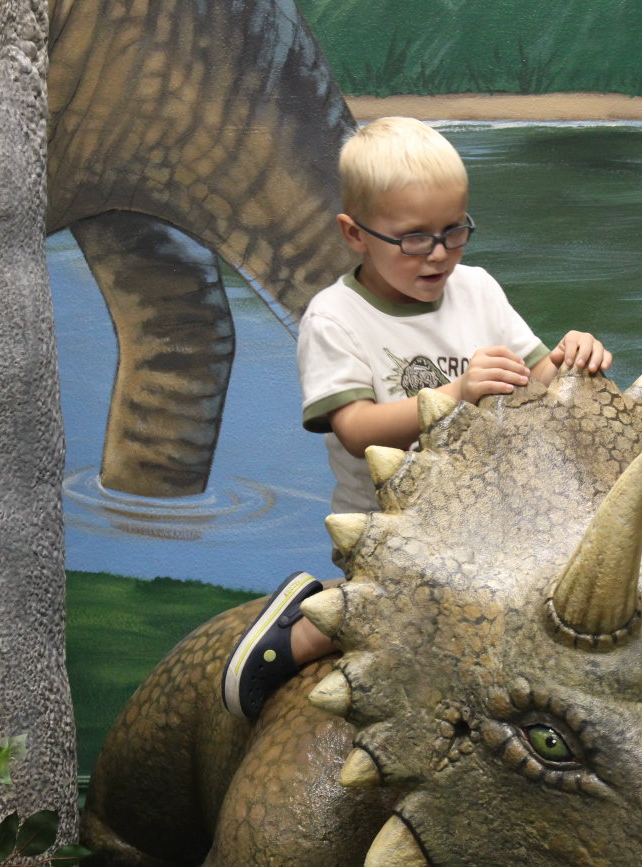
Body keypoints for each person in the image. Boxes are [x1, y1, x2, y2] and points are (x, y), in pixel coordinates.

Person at [222, 117, 612, 719]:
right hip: (393, 527)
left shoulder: (478, 289)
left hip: (489, 514)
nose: (440, 255)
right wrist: (456, 393)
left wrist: (572, 358)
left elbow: (539, 384)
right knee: (418, 608)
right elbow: (354, 430)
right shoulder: (334, 318)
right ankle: (296, 635)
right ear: (355, 233)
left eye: (454, 231)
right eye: (414, 238)